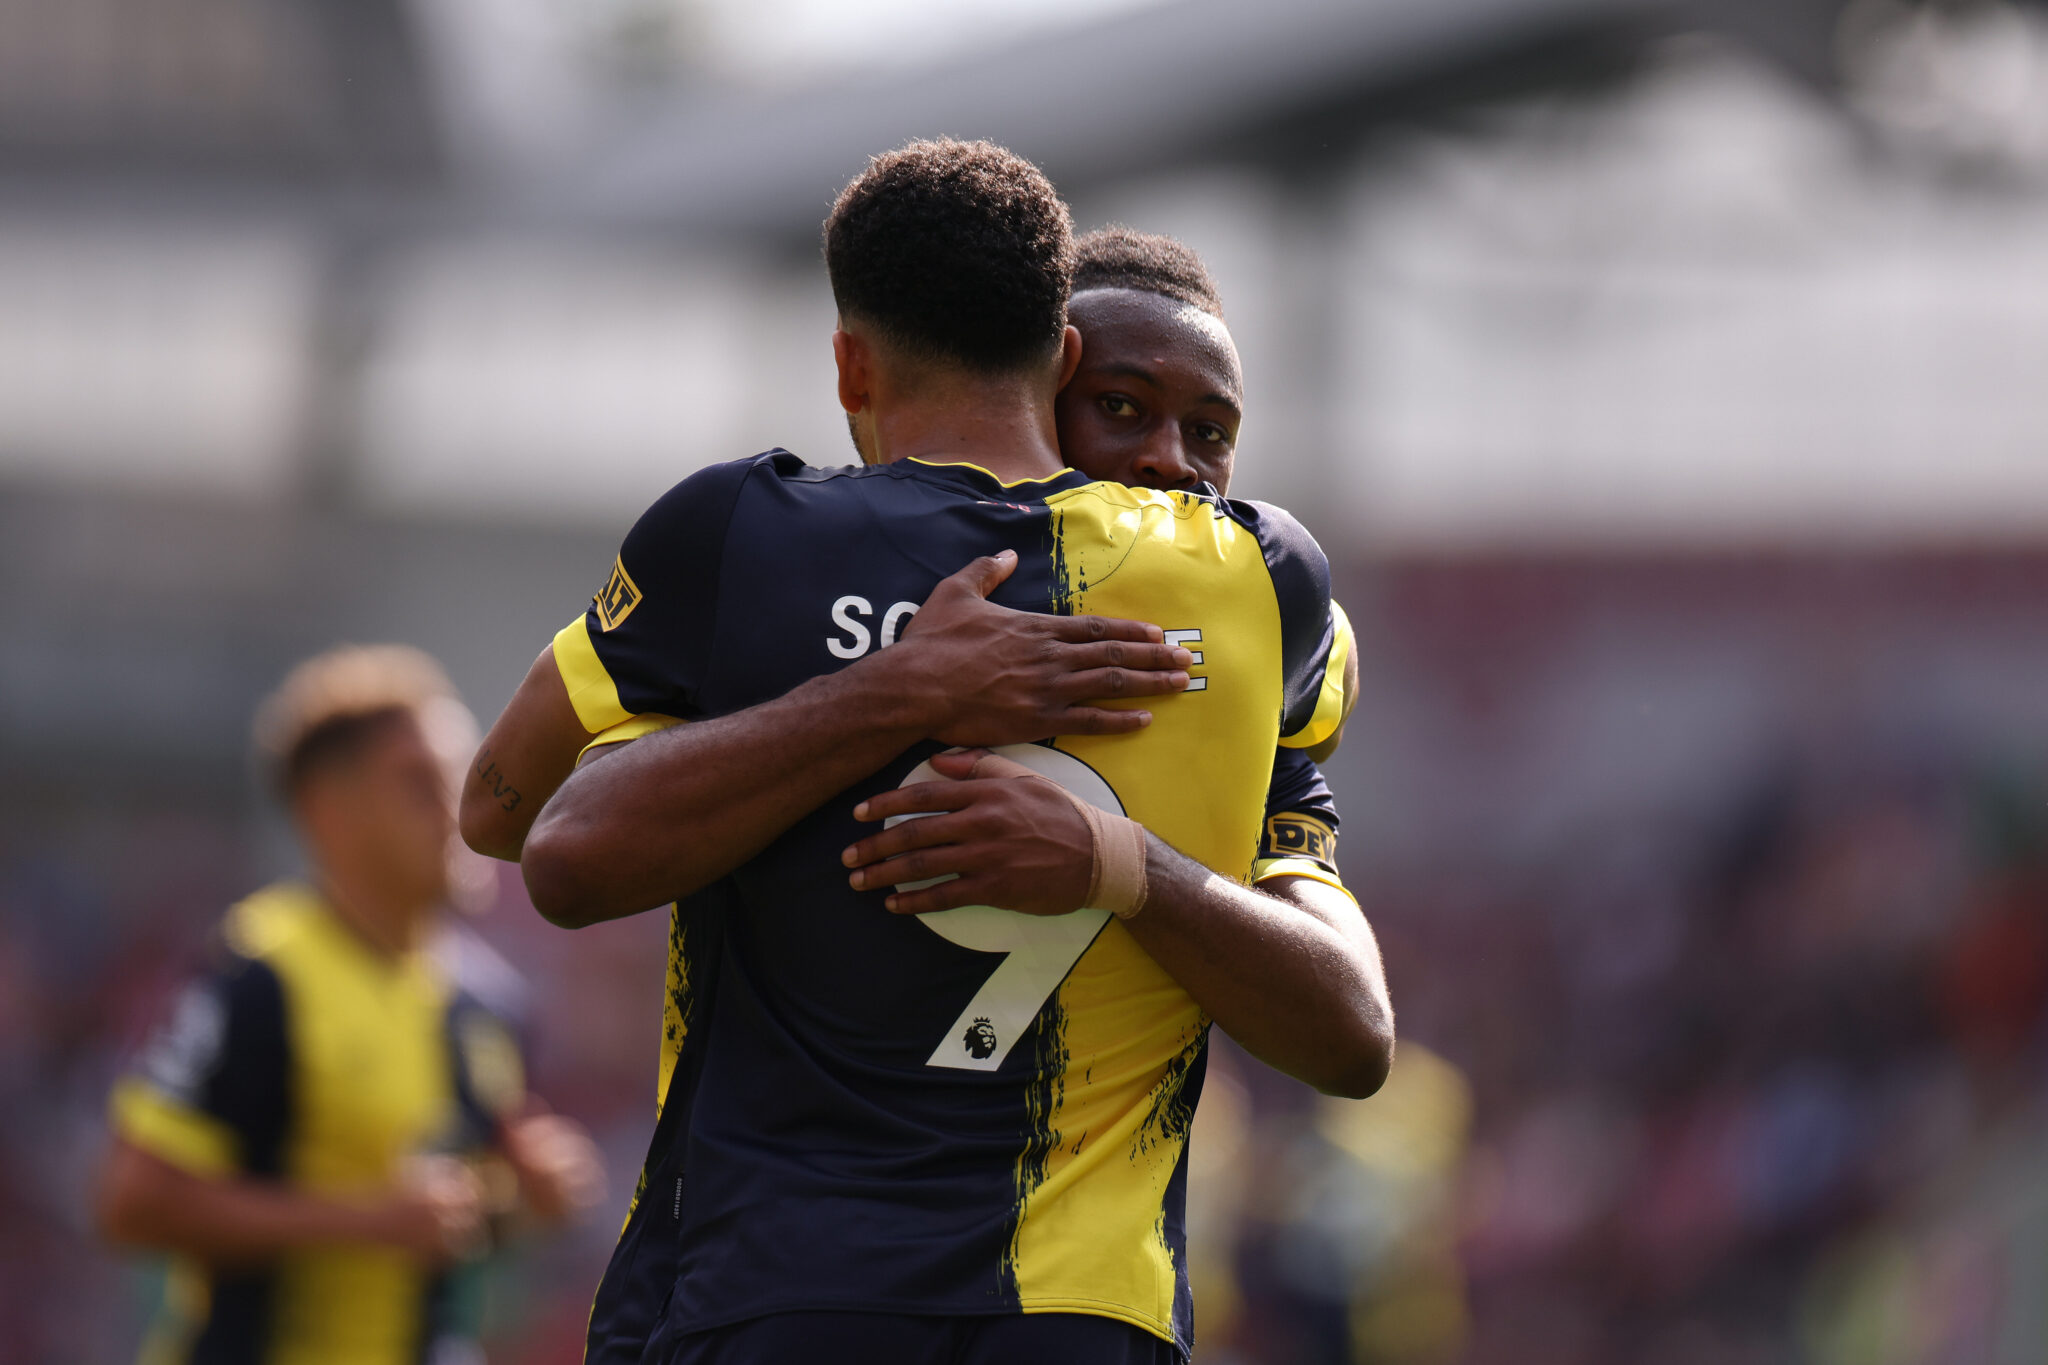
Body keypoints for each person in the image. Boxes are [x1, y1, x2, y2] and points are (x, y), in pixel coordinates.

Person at [473, 138, 1390, 1363]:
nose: (1172, 465)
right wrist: (906, 686)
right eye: (1123, 410)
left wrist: (1113, 859)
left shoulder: (751, 539)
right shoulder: (1264, 590)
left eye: (1208, 433)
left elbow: (512, 819)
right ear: (1053, 361)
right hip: (1070, 1318)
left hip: (772, 1290)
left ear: (849, 360)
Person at [96, 645, 605, 1365]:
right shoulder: (259, 975)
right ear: (329, 810)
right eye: (423, 783)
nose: (459, 812)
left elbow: (452, 1216)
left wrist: (531, 1194)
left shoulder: (488, 1000)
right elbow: (133, 1201)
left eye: (469, 779)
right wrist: (366, 1220)